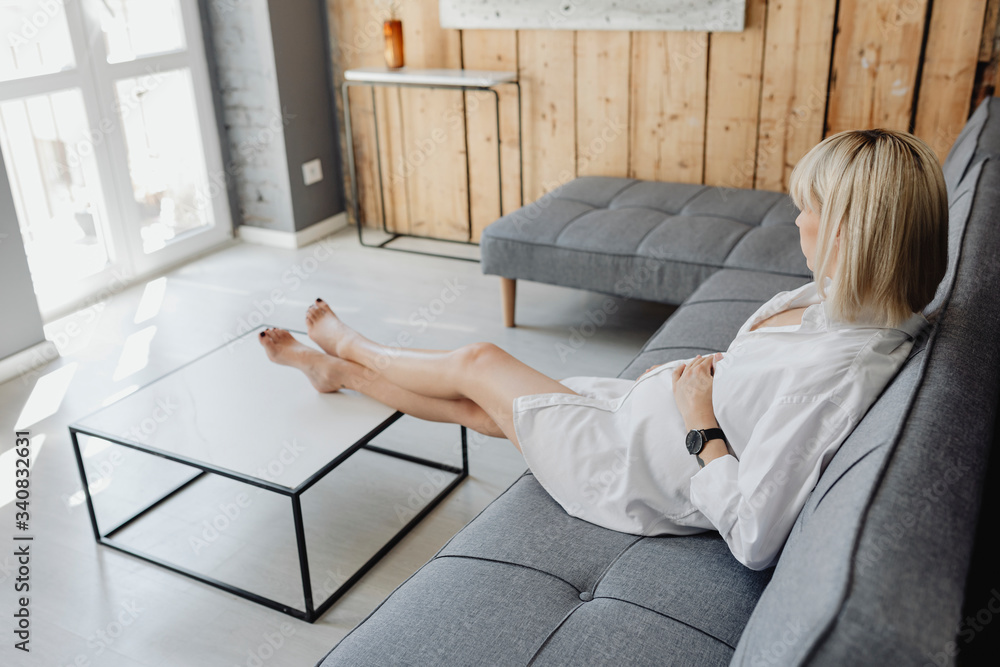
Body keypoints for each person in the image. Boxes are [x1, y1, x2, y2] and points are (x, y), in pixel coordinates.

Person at [259, 128, 948, 570]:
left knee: (477, 364)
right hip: (638, 418)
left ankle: (347, 345)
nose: (797, 217)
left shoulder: (840, 378)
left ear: (858, 236)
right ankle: (334, 372)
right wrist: (686, 387)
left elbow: (756, 535)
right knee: (480, 411)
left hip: (628, 467)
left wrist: (698, 415)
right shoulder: (844, 304)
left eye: (813, 207)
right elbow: (756, 383)